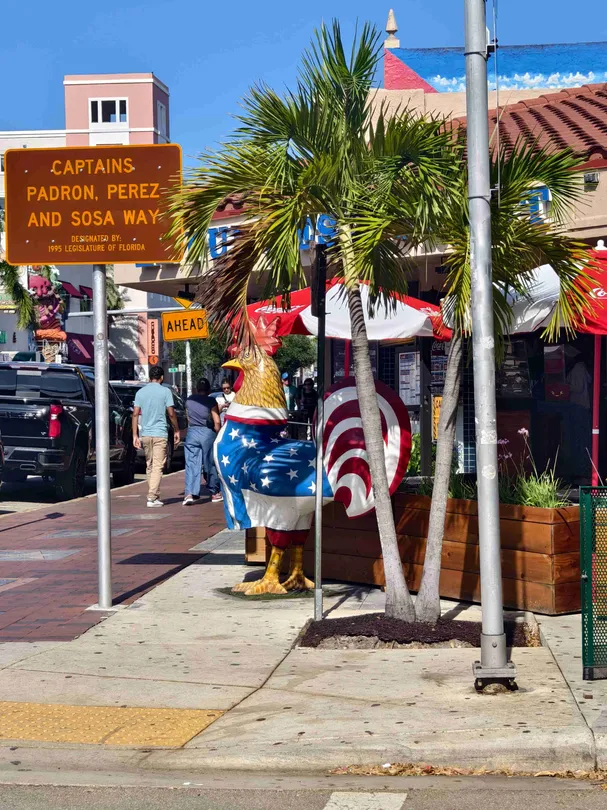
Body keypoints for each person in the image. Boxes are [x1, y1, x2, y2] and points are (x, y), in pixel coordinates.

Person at [132, 366, 180, 508]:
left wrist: (135, 435)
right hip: (160, 433)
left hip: (146, 433)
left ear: (149, 377)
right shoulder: (166, 392)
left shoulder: (140, 392)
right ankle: (152, 497)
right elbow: (171, 413)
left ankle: (154, 495)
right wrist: (176, 430)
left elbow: (135, 414)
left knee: (150, 465)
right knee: (158, 466)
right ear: (162, 377)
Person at [183, 378, 223, 505]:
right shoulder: (211, 401)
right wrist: (219, 434)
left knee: (191, 463)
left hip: (192, 432)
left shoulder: (189, 400)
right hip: (207, 433)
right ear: (209, 389)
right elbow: (217, 421)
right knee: (210, 463)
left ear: (197, 389)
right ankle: (214, 492)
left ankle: (189, 493)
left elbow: (188, 417)